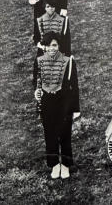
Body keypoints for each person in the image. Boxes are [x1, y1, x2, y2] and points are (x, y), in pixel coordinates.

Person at [33, 33, 80, 180]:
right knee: (50, 135)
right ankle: (54, 165)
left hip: (64, 102)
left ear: (59, 46)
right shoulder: (39, 61)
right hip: (47, 102)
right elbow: (36, 82)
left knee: (65, 134)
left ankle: (65, 165)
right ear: (44, 47)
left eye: (54, 45)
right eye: (47, 45)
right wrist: (36, 93)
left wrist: (76, 108)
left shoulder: (69, 61)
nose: (51, 48)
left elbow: (75, 87)